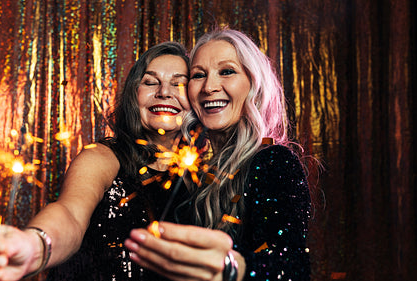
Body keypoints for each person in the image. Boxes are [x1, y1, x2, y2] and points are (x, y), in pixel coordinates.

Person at [0, 41, 191, 281]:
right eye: (150, 81)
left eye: (179, 83)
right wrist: (34, 245)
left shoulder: (206, 180)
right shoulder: (102, 157)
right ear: (134, 95)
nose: (164, 92)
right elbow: (70, 213)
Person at [125, 28, 312, 281]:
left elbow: (292, 267)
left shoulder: (272, 161)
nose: (209, 87)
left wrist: (232, 269)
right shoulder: (190, 171)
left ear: (253, 84)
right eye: (198, 75)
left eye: (227, 71)